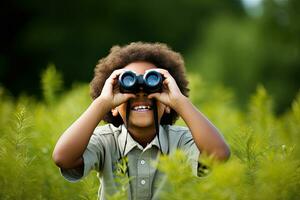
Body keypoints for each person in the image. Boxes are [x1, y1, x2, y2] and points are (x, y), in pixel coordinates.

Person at [52, 42, 230, 200]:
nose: (141, 93)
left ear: (168, 104)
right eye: (128, 86)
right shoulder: (106, 141)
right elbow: (63, 158)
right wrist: (102, 103)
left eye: (152, 83)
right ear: (113, 107)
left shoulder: (180, 141)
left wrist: (180, 101)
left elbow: (218, 155)